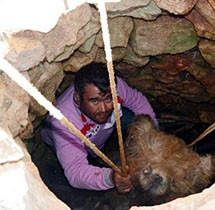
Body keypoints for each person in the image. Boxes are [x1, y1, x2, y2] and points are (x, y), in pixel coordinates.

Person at [41, 62, 157, 193]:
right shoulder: (63, 121)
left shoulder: (113, 86)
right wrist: (110, 178)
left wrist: (153, 135)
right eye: (94, 101)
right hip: (70, 142)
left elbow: (138, 101)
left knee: (138, 121)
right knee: (72, 183)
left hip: (99, 133)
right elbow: (75, 170)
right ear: (77, 98)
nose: (104, 109)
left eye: (108, 99)